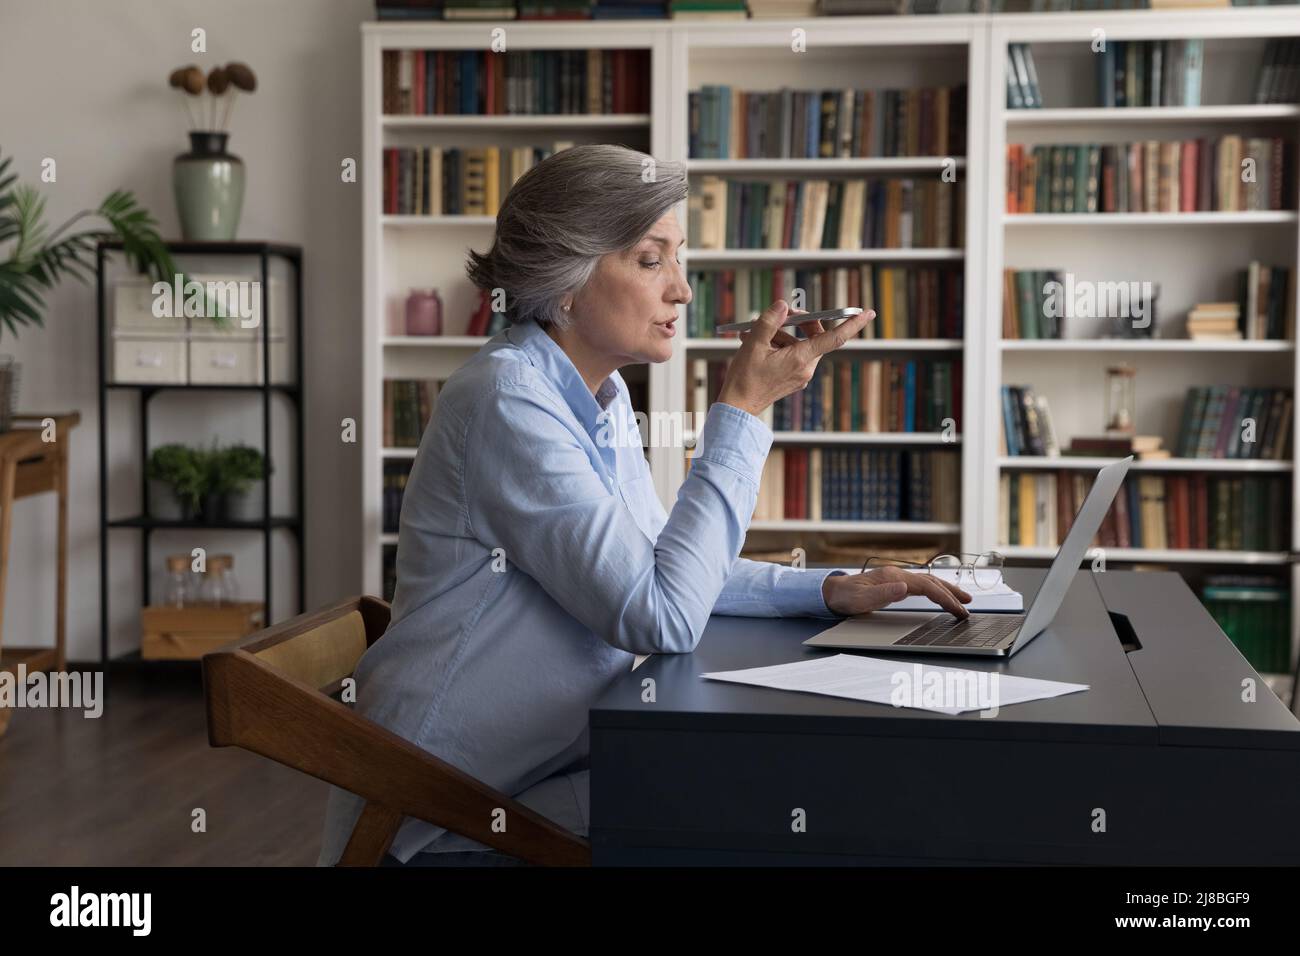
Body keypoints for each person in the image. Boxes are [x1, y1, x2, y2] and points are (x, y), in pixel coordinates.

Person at [318, 144, 970, 866]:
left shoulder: (599, 397)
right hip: (444, 816)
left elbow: (665, 566)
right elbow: (661, 613)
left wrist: (827, 588)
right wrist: (744, 408)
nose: (683, 292)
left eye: (678, 258)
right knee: (781, 803)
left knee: (787, 788)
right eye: (650, 259)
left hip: (543, 772)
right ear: (565, 279)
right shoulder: (507, 400)